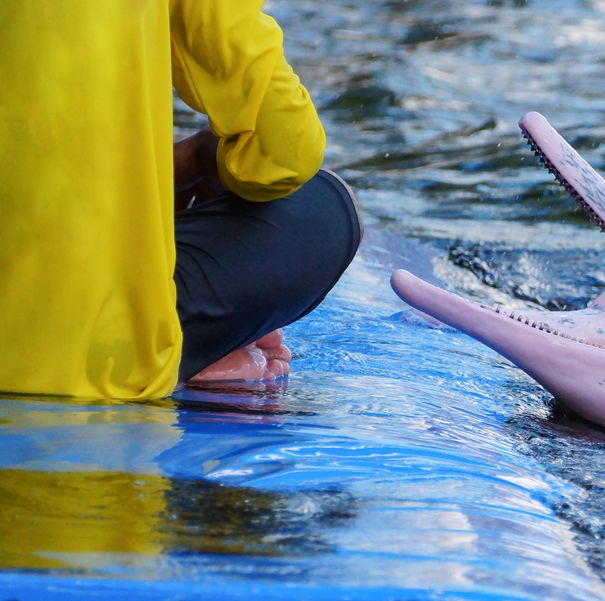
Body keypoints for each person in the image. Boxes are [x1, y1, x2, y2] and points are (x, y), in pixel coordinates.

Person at [0, 1, 362, 400]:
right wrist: (203, 159)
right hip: (79, 356)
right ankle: (192, 347)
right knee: (322, 204)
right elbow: (282, 156)